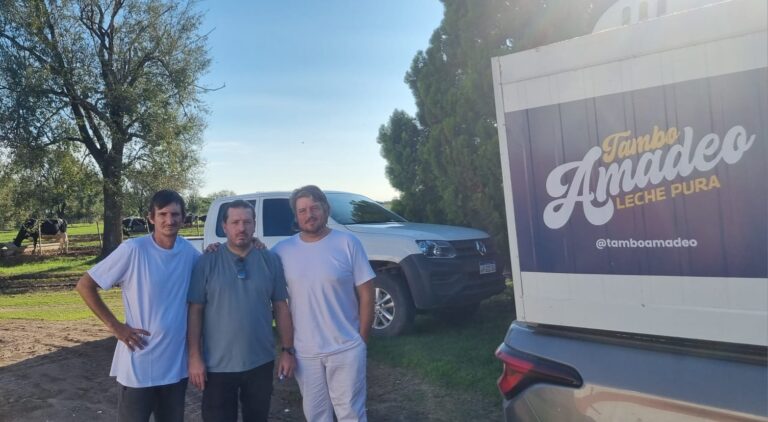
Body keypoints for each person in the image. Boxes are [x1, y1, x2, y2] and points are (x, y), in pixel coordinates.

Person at [76, 189, 200, 422]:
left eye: (175, 214)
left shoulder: (189, 254)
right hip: (139, 365)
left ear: (184, 218)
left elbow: (214, 269)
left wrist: (247, 245)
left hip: (175, 367)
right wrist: (116, 328)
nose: (169, 220)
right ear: (151, 217)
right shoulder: (133, 249)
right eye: (162, 214)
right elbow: (85, 285)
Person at [272, 185, 376, 422]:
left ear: (325, 209)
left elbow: (367, 293)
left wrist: (361, 339)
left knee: (351, 413)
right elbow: (253, 260)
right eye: (302, 211)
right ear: (296, 216)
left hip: (346, 347)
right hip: (305, 352)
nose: (309, 215)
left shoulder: (348, 243)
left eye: (314, 208)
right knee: (316, 415)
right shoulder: (281, 250)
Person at [187, 200, 295, 422]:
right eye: (235, 222)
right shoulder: (207, 262)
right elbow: (195, 311)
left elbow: (281, 306)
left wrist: (287, 350)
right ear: (224, 226)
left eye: (247, 222)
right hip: (217, 365)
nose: (241, 228)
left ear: (254, 224)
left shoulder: (270, 260)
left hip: (260, 362)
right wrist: (194, 357)